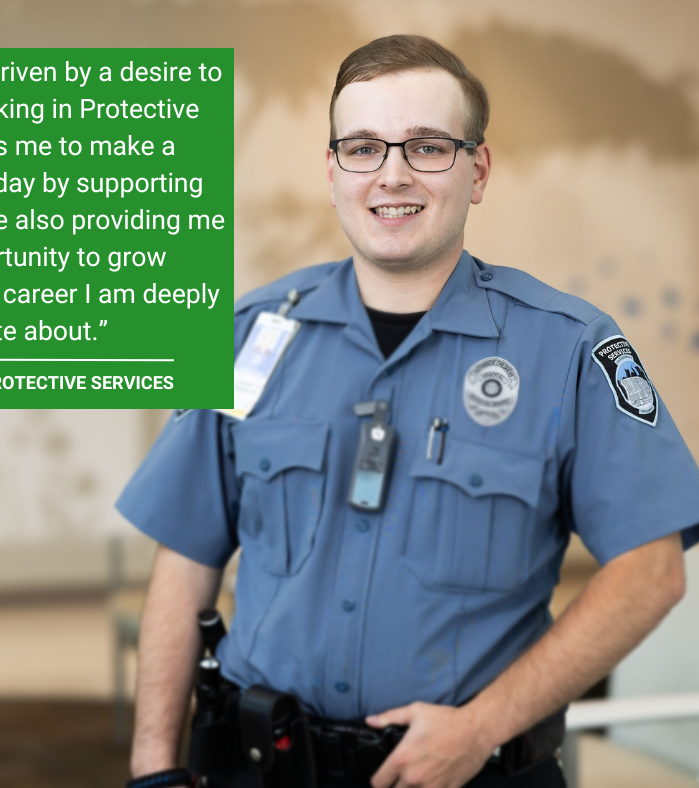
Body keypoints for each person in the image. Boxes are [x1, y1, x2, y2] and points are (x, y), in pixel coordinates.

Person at [117, 34, 699, 788]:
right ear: (332, 173)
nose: (392, 175)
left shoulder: (570, 349)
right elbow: (186, 561)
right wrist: (152, 770)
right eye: (362, 148)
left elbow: (651, 573)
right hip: (259, 766)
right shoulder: (249, 336)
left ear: (477, 170)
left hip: (472, 774)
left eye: (427, 147)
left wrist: (483, 726)